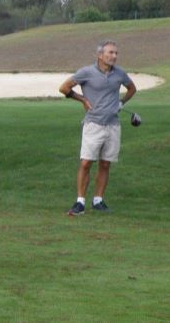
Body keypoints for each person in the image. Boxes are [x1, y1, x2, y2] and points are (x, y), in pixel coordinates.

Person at [59, 40, 137, 216]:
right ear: (100, 55)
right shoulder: (87, 72)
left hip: (113, 125)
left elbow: (132, 88)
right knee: (86, 162)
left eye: (116, 53)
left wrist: (121, 102)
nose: (114, 56)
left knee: (105, 164)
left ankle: (98, 200)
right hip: (93, 124)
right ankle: (80, 202)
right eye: (110, 53)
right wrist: (83, 100)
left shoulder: (119, 73)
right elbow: (64, 88)